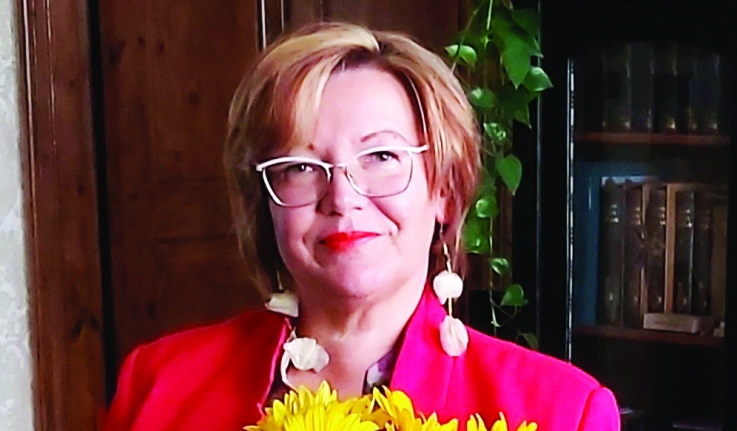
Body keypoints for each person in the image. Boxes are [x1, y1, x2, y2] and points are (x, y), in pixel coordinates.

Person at [104, 22, 620, 431]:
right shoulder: (157, 384)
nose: (343, 198)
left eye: (381, 157)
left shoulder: (562, 412)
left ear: (444, 189)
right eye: (301, 166)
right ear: (265, 203)